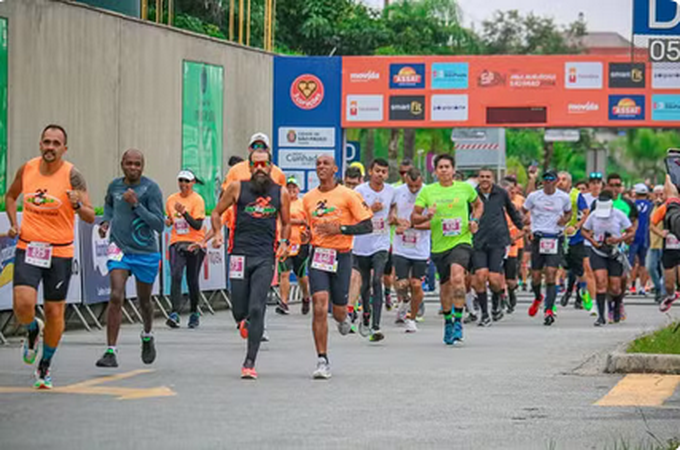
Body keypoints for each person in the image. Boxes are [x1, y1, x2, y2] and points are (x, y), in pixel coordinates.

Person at [5, 124, 95, 389]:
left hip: (60, 252)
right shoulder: (28, 168)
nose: (50, 148)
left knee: (56, 311)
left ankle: (45, 365)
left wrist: (77, 204)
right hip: (29, 246)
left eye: (56, 144)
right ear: (40, 144)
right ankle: (32, 329)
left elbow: (90, 216)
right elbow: (10, 197)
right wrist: (13, 222)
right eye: (46, 142)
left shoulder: (73, 176)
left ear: (64, 149)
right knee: (23, 305)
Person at [202, 149, 291, 379]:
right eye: (256, 165)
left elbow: (287, 222)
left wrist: (283, 242)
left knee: (256, 307)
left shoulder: (280, 192)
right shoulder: (237, 187)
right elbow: (216, 212)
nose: (260, 168)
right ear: (250, 167)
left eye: (264, 164)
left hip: (264, 256)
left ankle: (249, 361)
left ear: (271, 167)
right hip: (239, 254)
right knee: (239, 309)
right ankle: (243, 322)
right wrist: (218, 231)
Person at [302, 155, 373, 379]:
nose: (321, 167)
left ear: (335, 169)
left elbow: (367, 226)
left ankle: (345, 318)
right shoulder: (309, 198)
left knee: (338, 309)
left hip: (341, 256)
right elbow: (308, 227)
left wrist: (340, 230)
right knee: (320, 305)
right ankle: (322, 359)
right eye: (318, 164)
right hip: (318, 255)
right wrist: (305, 235)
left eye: (325, 164)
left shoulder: (349, 195)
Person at [96, 149, 164, 368]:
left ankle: (147, 334)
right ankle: (110, 351)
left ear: (142, 166)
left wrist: (136, 204)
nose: (133, 168)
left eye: (137, 164)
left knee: (145, 301)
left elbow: (159, 224)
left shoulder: (151, 188)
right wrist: (106, 222)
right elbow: (109, 205)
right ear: (122, 164)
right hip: (119, 248)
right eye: (129, 164)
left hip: (145, 251)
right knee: (116, 295)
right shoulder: (115, 186)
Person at [412, 154, 483, 345]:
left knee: (457, 278)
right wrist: (427, 215)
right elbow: (414, 218)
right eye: (440, 167)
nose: (444, 170)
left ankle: (458, 320)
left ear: (453, 170)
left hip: (461, 240)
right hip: (439, 245)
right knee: (445, 288)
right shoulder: (428, 192)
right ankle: (448, 322)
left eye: (447, 167)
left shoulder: (465, 188)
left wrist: (474, 220)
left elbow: (478, 205)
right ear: (435, 171)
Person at [472, 168, 523, 326]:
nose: (485, 179)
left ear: (493, 179)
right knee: (480, 276)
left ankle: (496, 304)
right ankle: (485, 314)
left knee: (494, 279)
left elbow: (512, 211)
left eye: (488, 177)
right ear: (478, 179)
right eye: (482, 177)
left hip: (498, 241)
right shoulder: (472, 194)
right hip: (478, 241)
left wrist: (522, 227)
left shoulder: (501, 193)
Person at [353, 158, 396, 341]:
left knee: (377, 279)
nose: (380, 174)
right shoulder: (359, 191)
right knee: (364, 284)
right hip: (362, 244)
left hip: (381, 243)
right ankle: (366, 316)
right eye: (377, 170)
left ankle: (376, 326)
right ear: (370, 171)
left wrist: (393, 216)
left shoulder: (391, 191)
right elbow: (354, 214)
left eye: (384, 171)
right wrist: (371, 209)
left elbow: (394, 208)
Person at [523, 170, 572, 326]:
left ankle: (549, 310)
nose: (548, 182)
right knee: (536, 276)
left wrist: (564, 221)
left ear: (556, 181)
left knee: (551, 273)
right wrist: (526, 224)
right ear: (542, 181)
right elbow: (523, 210)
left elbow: (569, 213)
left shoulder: (563, 197)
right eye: (546, 179)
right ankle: (538, 297)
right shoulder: (534, 196)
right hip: (538, 237)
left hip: (555, 237)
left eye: (552, 179)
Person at [582, 192, 635, 326]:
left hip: (615, 252)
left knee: (615, 287)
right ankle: (601, 316)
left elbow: (630, 231)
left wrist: (618, 239)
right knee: (600, 281)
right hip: (598, 251)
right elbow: (584, 230)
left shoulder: (619, 215)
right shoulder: (593, 215)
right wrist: (592, 241)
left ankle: (616, 306)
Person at [165, 170, 206, 329]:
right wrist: (168, 221)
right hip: (177, 242)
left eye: (187, 181)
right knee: (175, 275)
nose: (184, 185)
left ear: (193, 182)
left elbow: (198, 225)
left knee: (192, 278)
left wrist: (184, 213)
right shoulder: (171, 199)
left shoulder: (197, 200)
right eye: (181, 181)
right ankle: (174, 313)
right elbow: (170, 218)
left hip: (194, 243)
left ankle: (194, 312)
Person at [392, 168, 431, 333]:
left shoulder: (429, 192)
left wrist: (412, 225)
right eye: (410, 186)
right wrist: (396, 221)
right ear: (405, 180)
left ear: (422, 180)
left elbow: (433, 223)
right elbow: (390, 215)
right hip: (401, 247)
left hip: (420, 248)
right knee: (401, 283)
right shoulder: (397, 192)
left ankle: (412, 318)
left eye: (416, 186)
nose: (414, 189)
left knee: (416, 284)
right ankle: (404, 300)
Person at [606, 173, 639, 321]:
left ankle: (619, 303)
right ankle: (610, 307)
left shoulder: (627, 204)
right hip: (604, 246)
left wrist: (629, 236)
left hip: (622, 245)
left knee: (622, 278)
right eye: (612, 185)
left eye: (617, 185)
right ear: (607, 186)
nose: (615, 188)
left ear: (621, 187)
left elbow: (634, 221)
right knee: (606, 279)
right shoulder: (601, 202)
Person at [277, 177, 311, 316]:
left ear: (298, 189)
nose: (291, 190)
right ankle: (283, 303)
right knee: (284, 273)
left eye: (294, 188)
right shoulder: (281, 203)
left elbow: (308, 221)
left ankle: (305, 296)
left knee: (300, 275)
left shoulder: (303, 204)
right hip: (284, 242)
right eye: (289, 187)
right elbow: (279, 219)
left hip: (300, 243)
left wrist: (293, 221)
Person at [557, 171, 590, 310]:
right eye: (558, 179)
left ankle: (583, 292)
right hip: (556, 236)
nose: (560, 182)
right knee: (556, 267)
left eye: (564, 179)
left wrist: (576, 226)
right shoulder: (551, 195)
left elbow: (587, 212)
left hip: (574, 237)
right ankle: (553, 298)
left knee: (578, 269)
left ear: (569, 182)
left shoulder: (576, 195)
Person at [344, 166, 365, 331]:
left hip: (358, 244)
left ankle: (350, 310)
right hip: (337, 244)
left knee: (354, 277)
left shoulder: (362, 196)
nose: (351, 188)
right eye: (348, 184)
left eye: (354, 184)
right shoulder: (338, 195)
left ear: (360, 182)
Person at [629, 183, 653, 296]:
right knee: (644, 264)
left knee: (632, 263)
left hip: (633, 237)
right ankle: (643, 287)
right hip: (646, 237)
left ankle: (631, 286)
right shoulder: (651, 206)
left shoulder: (631, 205)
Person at [648, 185, 666, 303]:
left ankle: (663, 293)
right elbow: (649, 225)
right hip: (653, 243)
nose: (658, 197)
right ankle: (658, 288)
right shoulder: (651, 208)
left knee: (665, 269)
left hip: (664, 244)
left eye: (661, 194)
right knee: (651, 267)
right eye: (656, 194)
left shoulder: (668, 207)